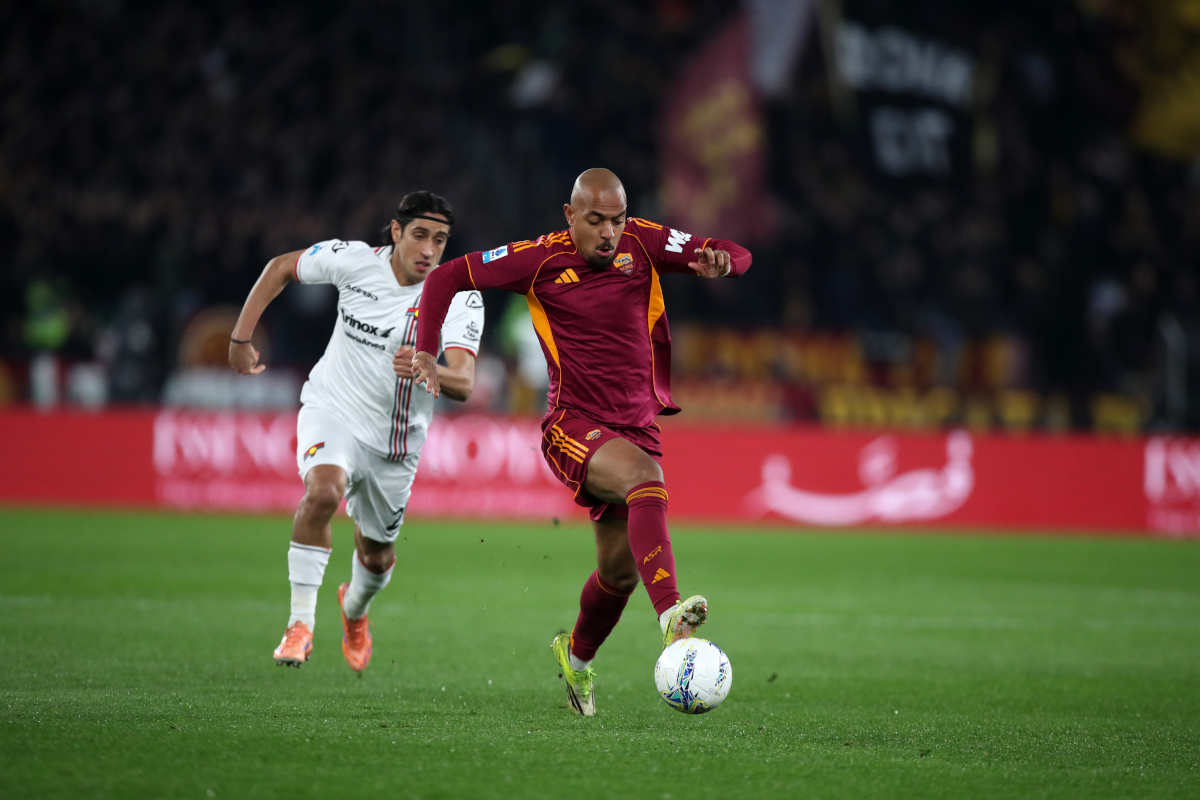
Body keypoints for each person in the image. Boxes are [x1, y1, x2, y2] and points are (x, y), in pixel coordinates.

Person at [409, 169, 751, 715]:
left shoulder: (644, 241)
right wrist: (428, 351)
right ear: (570, 217)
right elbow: (446, 276)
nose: (609, 233)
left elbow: (731, 250)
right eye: (596, 221)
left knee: (618, 574)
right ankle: (671, 622)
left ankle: (578, 660)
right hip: (573, 423)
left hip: (637, 426)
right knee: (646, 481)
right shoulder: (540, 258)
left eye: (616, 220)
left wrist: (724, 262)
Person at [228, 191, 484, 673]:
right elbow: (281, 267)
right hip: (334, 409)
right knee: (323, 493)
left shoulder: (459, 296)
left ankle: (355, 610)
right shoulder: (352, 260)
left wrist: (429, 366)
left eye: (441, 240)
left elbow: (464, 382)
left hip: (395, 447)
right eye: (421, 236)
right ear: (395, 232)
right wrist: (241, 337)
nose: (430, 250)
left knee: (378, 554)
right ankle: (299, 625)